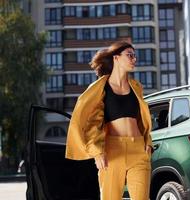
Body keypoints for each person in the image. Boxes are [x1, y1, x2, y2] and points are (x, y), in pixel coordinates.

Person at [65, 41, 153, 200]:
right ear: (116, 58)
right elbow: (92, 124)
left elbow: (142, 120)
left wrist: (148, 143)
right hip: (112, 151)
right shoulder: (101, 88)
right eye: (129, 55)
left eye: (135, 56)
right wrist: (97, 152)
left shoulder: (136, 87)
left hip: (138, 149)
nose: (134, 59)